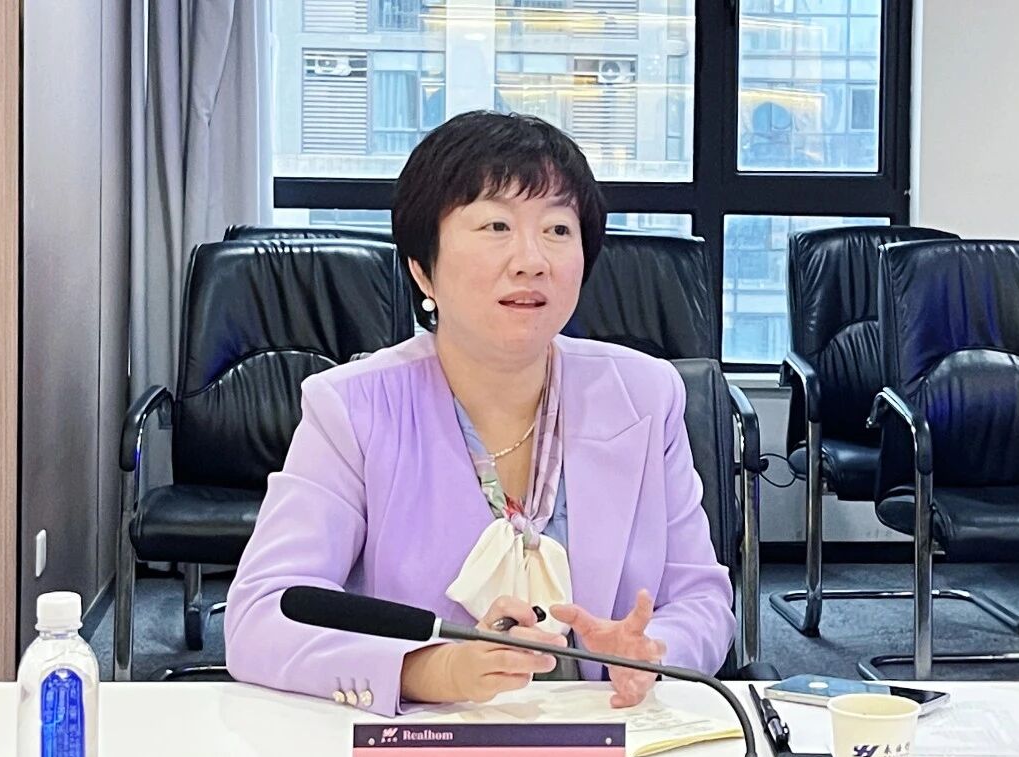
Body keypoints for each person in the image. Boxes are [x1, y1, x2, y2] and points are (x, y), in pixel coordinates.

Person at [225, 110, 734, 717]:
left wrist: (654, 652)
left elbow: (701, 599)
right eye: (496, 225)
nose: (531, 260)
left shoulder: (645, 395)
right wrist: (431, 669)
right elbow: (262, 616)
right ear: (423, 268)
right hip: (429, 744)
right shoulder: (352, 408)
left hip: (612, 735)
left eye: (557, 229)